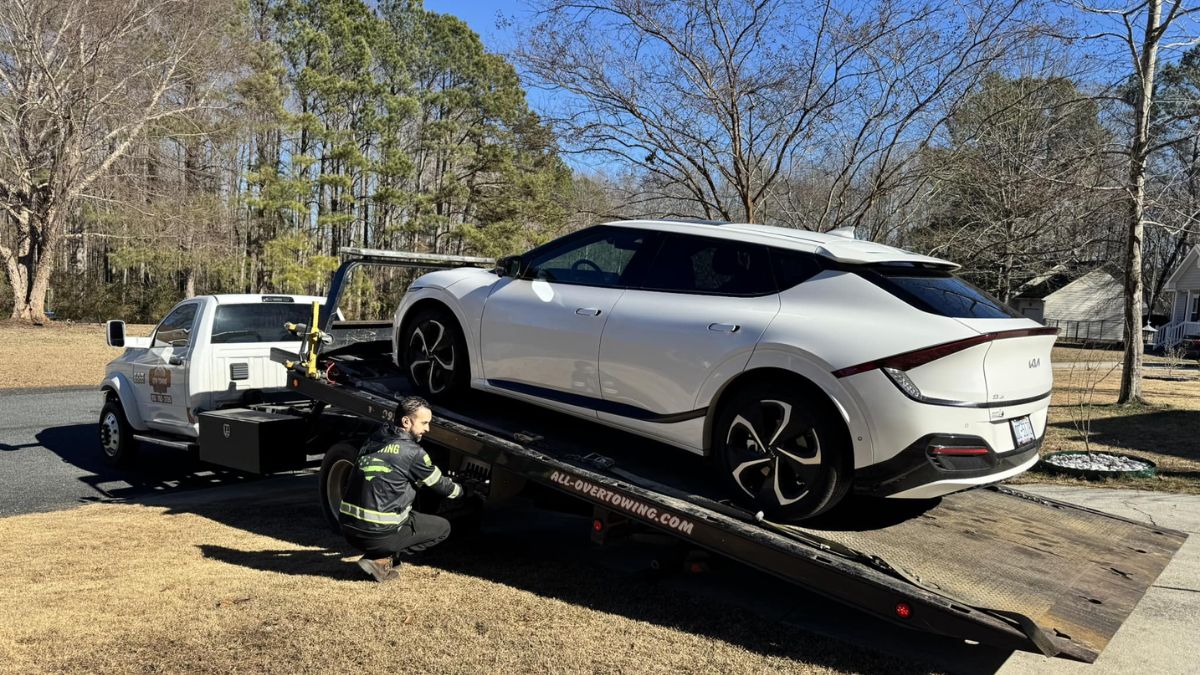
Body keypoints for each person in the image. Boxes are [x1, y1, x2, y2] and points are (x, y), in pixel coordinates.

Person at [339, 395, 464, 582]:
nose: (427, 429)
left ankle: (378, 554)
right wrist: (462, 490)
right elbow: (441, 486)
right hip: (377, 534)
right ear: (406, 421)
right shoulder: (413, 452)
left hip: (348, 530)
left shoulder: (373, 440)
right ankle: (380, 558)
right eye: (424, 423)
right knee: (443, 528)